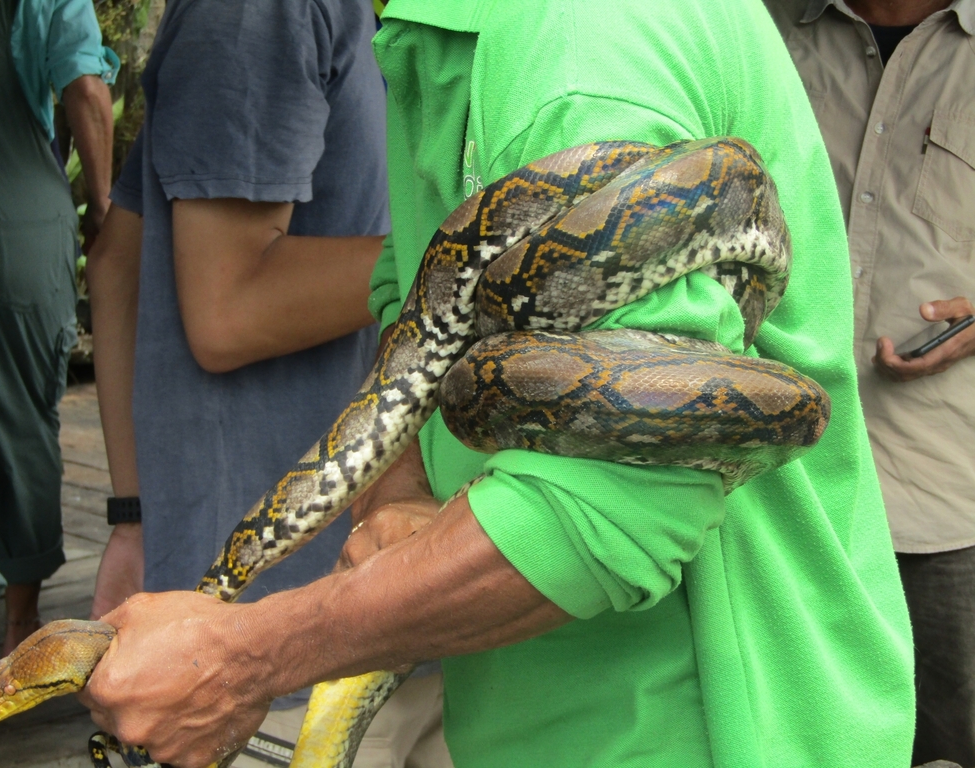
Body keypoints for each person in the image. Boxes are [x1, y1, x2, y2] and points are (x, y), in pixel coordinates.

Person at [79, 1, 917, 765]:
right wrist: (402, 482)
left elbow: (613, 504)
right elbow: (415, 305)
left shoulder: (579, 47)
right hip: (547, 710)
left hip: (711, 725)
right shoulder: (434, 38)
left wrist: (244, 656)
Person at [83, 0, 453, 764]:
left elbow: (118, 254)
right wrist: (467, 256)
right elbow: (227, 311)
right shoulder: (262, 11)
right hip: (286, 641)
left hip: (316, 599)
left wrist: (133, 515)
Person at [761, 1, 975, 764]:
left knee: (953, 737)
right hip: (770, 493)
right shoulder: (755, 25)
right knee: (791, 737)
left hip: (945, 503)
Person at [0, 0, 115, 739]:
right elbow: (85, 89)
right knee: (24, 422)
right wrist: (101, 201)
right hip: (23, 219)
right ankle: (22, 619)